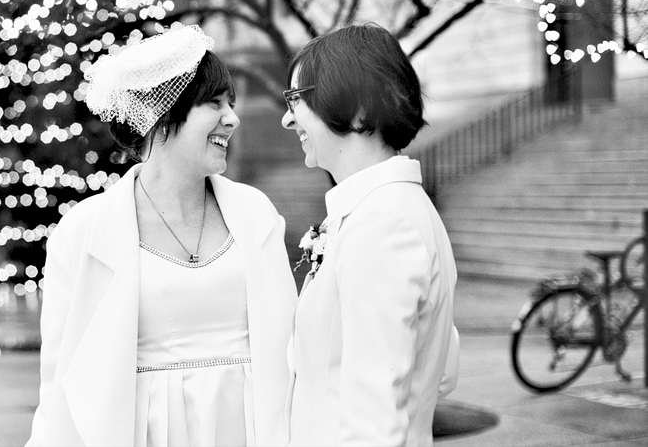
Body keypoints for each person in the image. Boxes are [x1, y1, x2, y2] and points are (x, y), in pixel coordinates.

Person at [26, 25, 298, 447]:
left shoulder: (257, 213)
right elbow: (63, 382)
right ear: (163, 112)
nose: (233, 118)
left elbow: (293, 352)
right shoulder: (83, 231)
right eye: (214, 103)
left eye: (232, 103)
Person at [282, 24, 460, 447]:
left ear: (358, 108)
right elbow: (443, 370)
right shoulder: (387, 211)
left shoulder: (384, 225)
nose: (287, 119)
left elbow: (374, 424)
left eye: (296, 98)